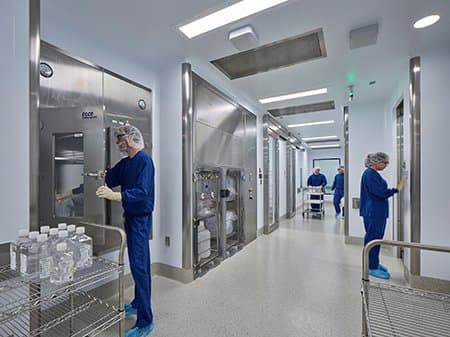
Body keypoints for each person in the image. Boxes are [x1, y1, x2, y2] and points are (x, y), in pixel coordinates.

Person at [96, 125, 155, 337]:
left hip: (140, 219)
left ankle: (145, 321)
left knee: (139, 267)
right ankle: (139, 302)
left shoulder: (145, 161)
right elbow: (110, 178)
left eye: (121, 138)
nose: (118, 142)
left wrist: (117, 196)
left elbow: (142, 192)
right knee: (140, 264)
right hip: (130, 218)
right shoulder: (126, 163)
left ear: (130, 138)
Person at [360, 152, 403, 280]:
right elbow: (379, 192)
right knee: (373, 240)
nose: (386, 165)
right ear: (376, 162)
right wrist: (395, 190)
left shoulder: (372, 174)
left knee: (375, 238)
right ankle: (371, 267)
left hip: (375, 211)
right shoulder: (369, 174)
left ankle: (374, 263)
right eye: (385, 162)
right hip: (374, 212)